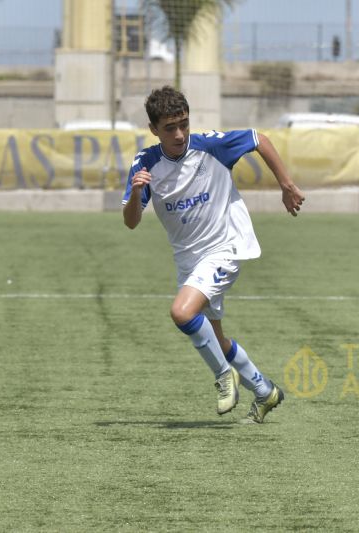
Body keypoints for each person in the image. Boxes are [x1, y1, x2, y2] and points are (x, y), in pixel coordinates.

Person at [122, 86, 305, 423]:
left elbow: (259, 139)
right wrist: (136, 194)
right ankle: (264, 390)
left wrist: (286, 184)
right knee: (215, 339)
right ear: (153, 129)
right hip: (189, 261)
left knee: (181, 312)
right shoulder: (145, 163)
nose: (179, 134)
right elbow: (131, 222)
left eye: (184, 124)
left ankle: (224, 376)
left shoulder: (210, 146)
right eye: (170, 128)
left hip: (225, 248)